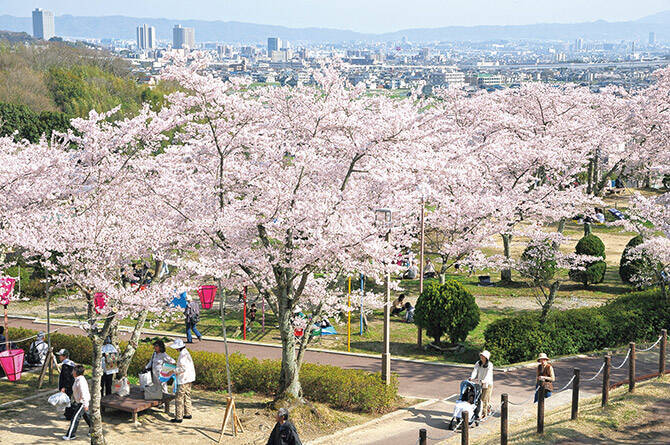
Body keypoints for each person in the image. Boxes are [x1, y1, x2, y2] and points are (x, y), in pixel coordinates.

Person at [168, 339, 196, 423]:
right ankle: (188, 413)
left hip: (183, 379)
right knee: (187, 395)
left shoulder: (182, 355)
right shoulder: (186, 352)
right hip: (189, 378)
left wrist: (173, 371)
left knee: (179, 398)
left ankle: (178, 417)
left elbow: (182, 368)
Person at [63, 365, 91, 441]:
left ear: (77, 372)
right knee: (87, 416)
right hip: (80, 402)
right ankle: (94, 430)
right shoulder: (77, 379)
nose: (72, 372)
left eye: (73, 371)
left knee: (75, 418)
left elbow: (84, 392)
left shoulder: (81, 381)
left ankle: (70, 435)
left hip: (83, 402)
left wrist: (85, 404)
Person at [469, 350, 493, 419]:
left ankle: (484, 414)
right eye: (481, 355)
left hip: (488, 384)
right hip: (480, 383)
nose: (481, 357)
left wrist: (484, 380)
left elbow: (488, 374)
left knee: (484, 399)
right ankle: (487, 408)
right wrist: (472, 377)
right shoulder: (478, 363)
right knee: (479, 398)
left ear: (486, 357)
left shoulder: (490, 365)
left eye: (483, 356)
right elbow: (475, 371)